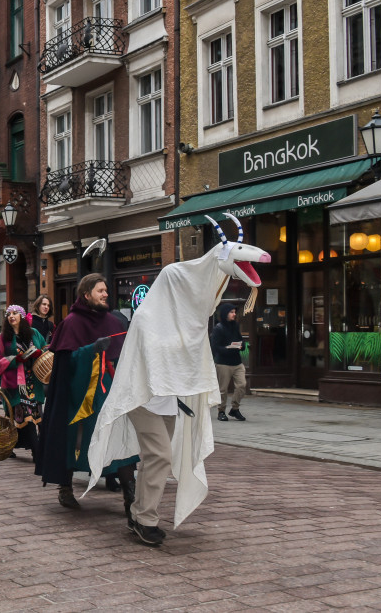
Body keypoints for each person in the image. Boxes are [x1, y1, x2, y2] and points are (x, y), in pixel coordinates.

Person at [85, 214, 270, 545]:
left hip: (171, 401)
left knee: (156, 457)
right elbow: (144, 363)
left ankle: (138, 511)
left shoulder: (191, 321)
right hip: (143, 398)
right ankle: (145, 519)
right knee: (161, 456)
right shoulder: (145, 320)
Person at [35, 274, 136, 513]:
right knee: (74, 440)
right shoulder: (71, 322)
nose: (105, 295)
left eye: (106, 291)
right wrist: (92, 349)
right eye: (100, 291)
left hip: (110, 390)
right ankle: (65, 487)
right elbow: (66, 363)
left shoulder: (114, 321)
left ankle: (130, 495)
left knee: (119, 436)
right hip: (80, 395)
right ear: (87, 294)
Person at [0, 306, 47, 459]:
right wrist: (15, 360)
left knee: (38, 417)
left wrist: (38, 353)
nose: (11, 316)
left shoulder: (34, 333)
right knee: (27, 417)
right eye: (8, 314)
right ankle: (37, 454)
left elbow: (46, 350)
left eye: (15, 313)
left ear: (22, 316)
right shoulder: (3, 337)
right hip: (15, 384)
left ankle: (36, 448)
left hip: (33, 381)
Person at [211, 303, 247, 422]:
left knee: (242, 385)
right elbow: (215, 347)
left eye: (234, 312)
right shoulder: (218, 328)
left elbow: (241, 341)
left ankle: (234, 408)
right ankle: (221, 411)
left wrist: (241, 346)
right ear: (225, 314)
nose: (234, 314)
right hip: (223, 363)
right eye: (231, 312)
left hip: (237, 362)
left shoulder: (235, 326)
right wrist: (227, 349)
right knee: (223, 389)